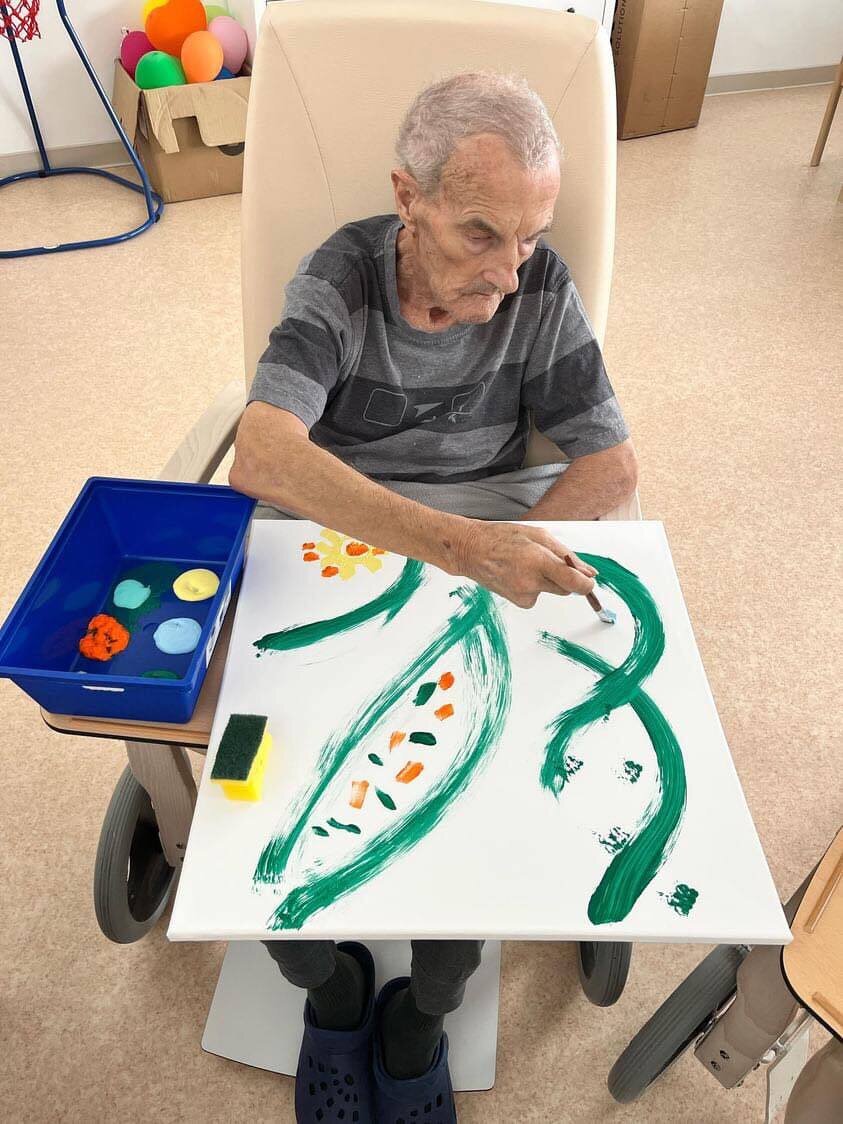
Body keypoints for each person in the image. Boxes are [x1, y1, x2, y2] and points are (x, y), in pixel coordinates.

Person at [230, 69, 637, 1124]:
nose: (507, 272)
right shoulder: (343, 275)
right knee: (261, 808)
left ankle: (425, 1010)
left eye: (530, 237)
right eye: (480, 233)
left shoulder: (537, 287)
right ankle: (331, 986)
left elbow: (611, 463)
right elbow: (263, 454)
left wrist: (519, 550)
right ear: (407, 199)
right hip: (345, 522)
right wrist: (459, 549)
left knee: (476, 791)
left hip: (483, 523)